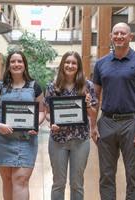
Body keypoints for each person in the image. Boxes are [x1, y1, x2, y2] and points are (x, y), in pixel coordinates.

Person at [92, 22, 135, 200]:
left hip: (132, 123)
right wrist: (93, 126)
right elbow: (94, 96)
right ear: (111, 37)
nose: (119, 36)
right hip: (107, 122)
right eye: (116, 33)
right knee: (106, 175)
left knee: (133, 175)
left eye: (123, 33)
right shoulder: (101, 64)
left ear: (130, 37)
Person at [0, 51, 45, 200]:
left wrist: (35, 124)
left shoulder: (35, 87)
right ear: (8, 65)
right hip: (2, 139)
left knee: (21, 180)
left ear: (24, 65)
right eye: (13, 61)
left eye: (20, 61)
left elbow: (42, 111)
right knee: (8, 180)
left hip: (26, 139)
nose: (16, 64)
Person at [44, 51, 98, 200]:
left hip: (80, 141)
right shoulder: (52, 87)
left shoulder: (88, 86)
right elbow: (47, 113)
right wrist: (52, 122)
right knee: (58, 183)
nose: (70, 65)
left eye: (74, 63)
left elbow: (93, 115)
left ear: (78, 66)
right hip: (57, 140)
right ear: (62, 65)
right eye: (67, 62)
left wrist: (87, 105)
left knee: (77, 184)